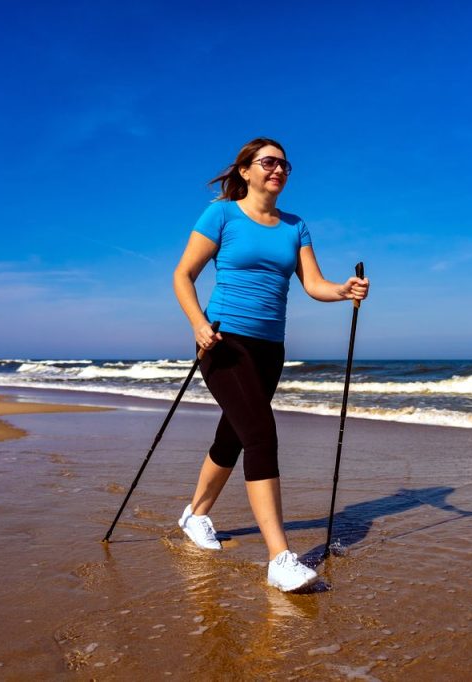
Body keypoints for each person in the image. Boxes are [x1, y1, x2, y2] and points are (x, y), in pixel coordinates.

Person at [172, 137, 369, 592]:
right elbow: (183, 275)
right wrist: (199, 324)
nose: (278, 169)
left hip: (269, 349)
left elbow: (314, 283)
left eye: (284, 164)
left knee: (235, 434)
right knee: (261, 434)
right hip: (223, 341)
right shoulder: (220, 215)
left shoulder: (295, 226)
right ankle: (280, 557)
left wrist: (345, 290)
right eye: (268, 162)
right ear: (245, 170)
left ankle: (195, 514)